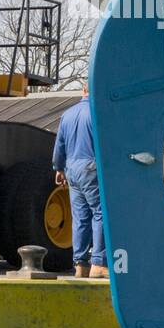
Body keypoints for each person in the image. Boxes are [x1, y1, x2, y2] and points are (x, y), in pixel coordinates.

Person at [52, 82, 106, 278]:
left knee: (81, 218)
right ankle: (99, 264)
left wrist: (59, 168)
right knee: (100, 214)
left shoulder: (68, 114)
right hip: (91, 167)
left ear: (83, 90)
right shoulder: (98, 112)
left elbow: (60, 144)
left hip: (71, 169)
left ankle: (80, 265)